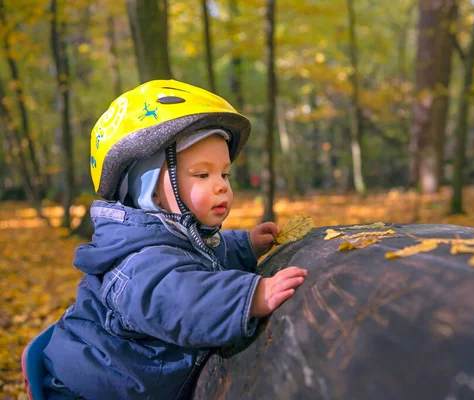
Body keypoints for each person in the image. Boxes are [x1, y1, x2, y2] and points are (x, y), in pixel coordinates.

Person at [41, 80, 308, 399]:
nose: (222, 186)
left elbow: (209, 255)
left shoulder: (180, 237)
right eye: (202, 175)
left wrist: (246, 244)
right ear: (148, 187)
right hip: (91, 390)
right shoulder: (139, 263)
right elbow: (182, 301)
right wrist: (249, 297)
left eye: (225, 174)